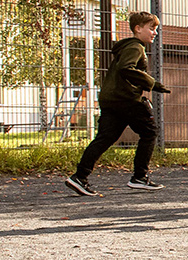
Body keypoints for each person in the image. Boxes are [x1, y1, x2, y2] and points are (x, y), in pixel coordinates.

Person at [63, 12, 171, 196]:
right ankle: (139, 177)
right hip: (127, 99)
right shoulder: (136, 47)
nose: (155, 33)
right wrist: (152, 84)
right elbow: (126, 68)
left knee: (105, 137)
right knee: (150, 131)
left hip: (111, 99)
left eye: (156, 30)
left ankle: (80, 177)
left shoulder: (127, 47)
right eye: (151, 29)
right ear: (138, 29)